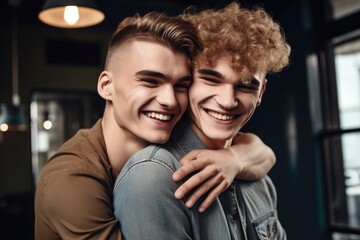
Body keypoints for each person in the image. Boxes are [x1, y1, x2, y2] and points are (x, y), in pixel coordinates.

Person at [34, 10, 276, 240]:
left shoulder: (181, 131)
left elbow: (262, 152)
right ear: (106, 86)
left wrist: (234, 158)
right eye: (150, 81)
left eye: (181, 84)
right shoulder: (72, 178)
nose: (169, 101)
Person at [113, 2, 291, 240]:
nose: (228, 101)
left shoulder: (260, 180)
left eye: (246, 86)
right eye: (211, 79)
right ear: (187, 81)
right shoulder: (152, 174)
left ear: (261, 93)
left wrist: (237, 158)